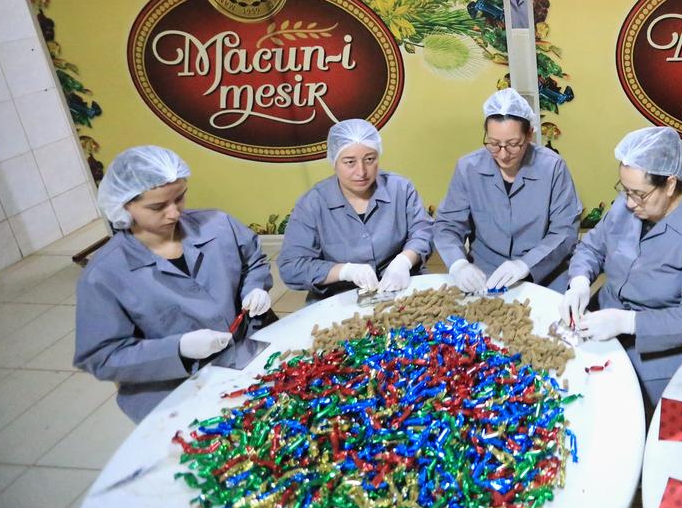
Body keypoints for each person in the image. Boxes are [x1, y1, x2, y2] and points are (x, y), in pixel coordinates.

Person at [74, 146, 276, 422]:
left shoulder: (217, 225)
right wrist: (178, 349)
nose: (174, 214)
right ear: (124, 205)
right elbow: (102, 357)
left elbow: (251, 260)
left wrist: (254, 287)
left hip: (252, 356)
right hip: (177, 391)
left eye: (179, 198)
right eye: (157, 207)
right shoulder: (106, 274)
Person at [561, 126, 682, 405]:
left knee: (633, 418)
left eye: (639, 194)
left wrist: (630, 322)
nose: (629, 202)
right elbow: (592, 247)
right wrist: (579, 281)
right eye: (625, 190)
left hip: (663, 350)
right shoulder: (628, 204)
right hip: (602, 319)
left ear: (671, 184)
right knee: (568, 394)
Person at [435, 89, 581, 293]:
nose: (503, 155)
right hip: (484, 275)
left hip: (545, 274)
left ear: (529, 134)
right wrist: (459, 265)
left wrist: (525, 265)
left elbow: (564, 231)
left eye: (513, 144)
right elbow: (448, 226)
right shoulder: (468, 168)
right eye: (494, 144)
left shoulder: (552, 168)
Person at [278, 120, 433, 301]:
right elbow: (291, 267)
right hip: (340, 297)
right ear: (334, 161)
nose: (361, 171)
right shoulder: (312, 204)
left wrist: (404, 261)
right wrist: (344, 271)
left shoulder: (400, 188)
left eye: (369, 159)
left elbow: (424, 231)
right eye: (350, 162)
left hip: (401, 287)